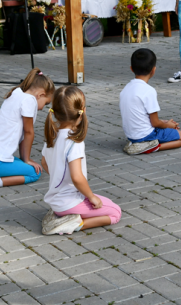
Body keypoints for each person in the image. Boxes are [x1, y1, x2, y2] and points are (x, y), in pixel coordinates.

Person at [41, 86, 122, 235]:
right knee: (115, 212)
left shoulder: (52, 136)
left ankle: (62, 215)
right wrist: (91, 197)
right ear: (82, 112)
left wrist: (58, 176)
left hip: (57, 201)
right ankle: (73, 224)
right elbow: (77, 177)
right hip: (69, 202)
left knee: (105, 202)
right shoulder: (74, 141)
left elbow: (45, 162)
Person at [121, 48, 181, 154]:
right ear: (153, 70)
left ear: (131, 69)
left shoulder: (126, 89)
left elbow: (145, 117)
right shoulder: (149, 91)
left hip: (131, 135)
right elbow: (155, 122)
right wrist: (168, 125)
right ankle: (149, 147)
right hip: (145, 135)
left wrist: (165, 122)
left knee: (166, 125)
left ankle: (138, 144)